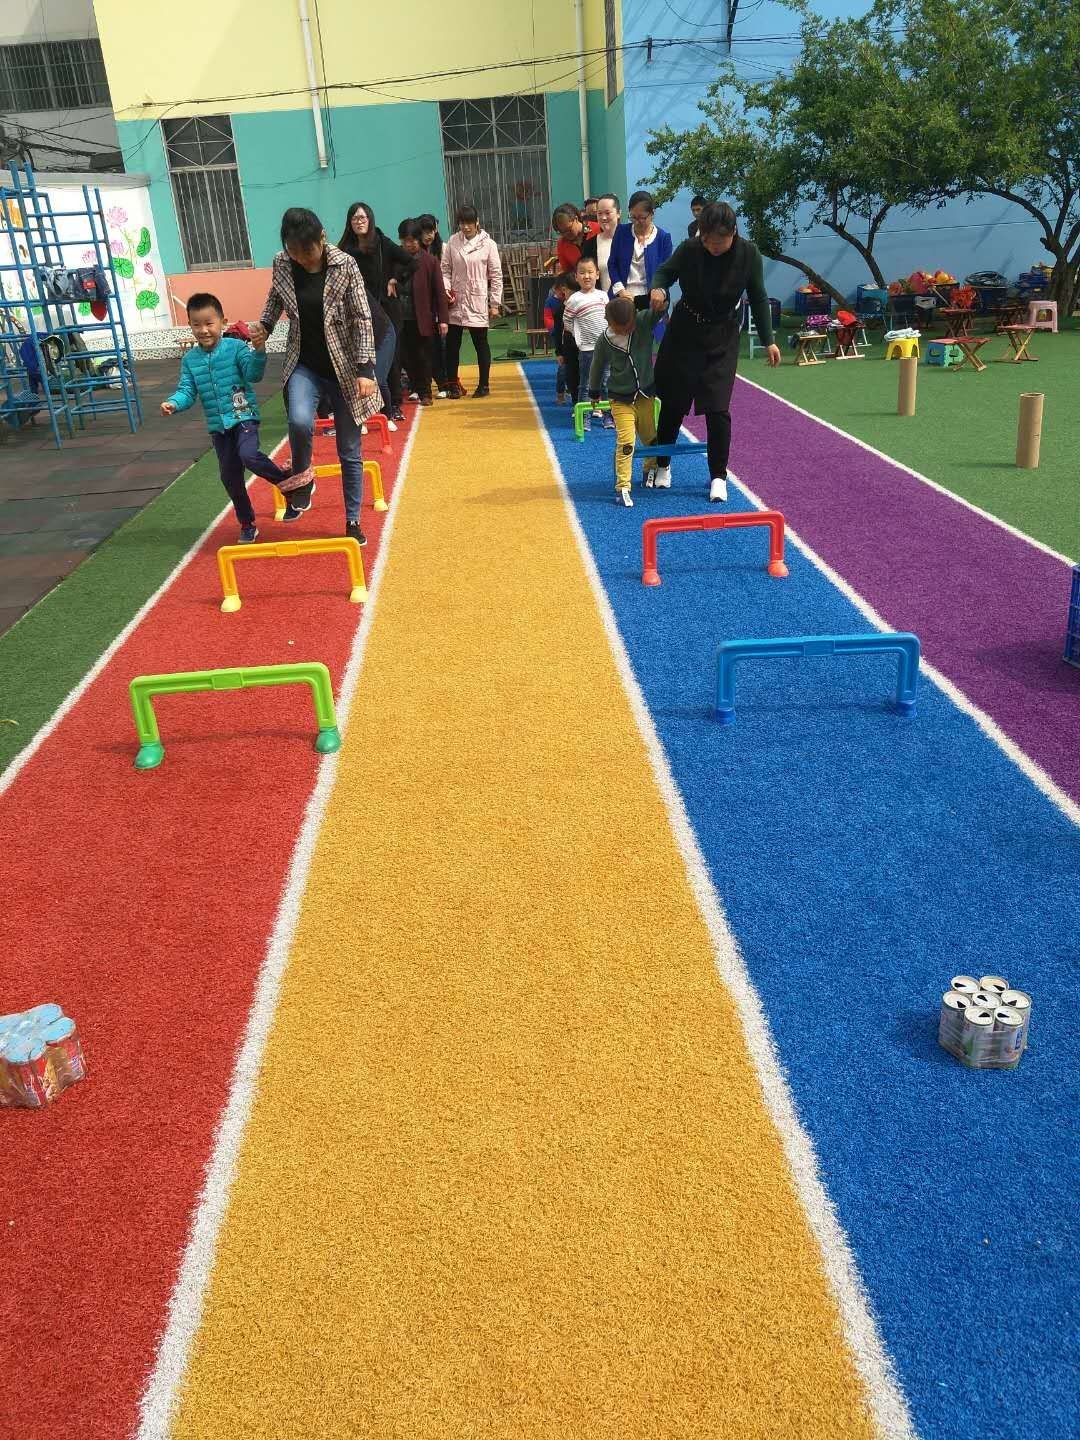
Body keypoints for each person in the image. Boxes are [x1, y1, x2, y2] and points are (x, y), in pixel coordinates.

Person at [250, 207, 379, 546]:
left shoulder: (345, 265)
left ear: (322, 238)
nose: (302, 258)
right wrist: (265, 326)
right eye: (294, 251)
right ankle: (304, 480)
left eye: (307, 251)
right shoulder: (283, 263)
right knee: (298, 420)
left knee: (348, 449)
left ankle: (353, 519)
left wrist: (366, 369)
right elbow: (275, 298)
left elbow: (362, 318)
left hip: (345, 368)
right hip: (303, 362)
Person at [648, 201, 781, 503]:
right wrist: (659, 289)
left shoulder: (748, 254)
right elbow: (664, 273)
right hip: (685, 332)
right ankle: (663, 464)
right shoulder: (690, 249)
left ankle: (718, 476)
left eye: (718, 242)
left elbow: (758, 297)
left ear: (733, 233)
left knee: (718, 409)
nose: (712, 247)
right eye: (707, 240)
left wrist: (769, 340)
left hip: (722, 335)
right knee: (673, 403)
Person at [161, 292, 291, 543]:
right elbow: (187, 391)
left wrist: (259, 351)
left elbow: (253, 375)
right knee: (230, 477)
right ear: (190, 325)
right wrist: (173, 403)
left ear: (223, 322)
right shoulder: (190, 360)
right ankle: (247, 523)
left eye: (209, 323)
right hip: (219, 428)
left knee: (248, 455)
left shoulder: (236, 348)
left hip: (244, 417)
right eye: (196, 324)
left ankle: (288, 483)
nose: (203, 330)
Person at [338, 202, 416, 424]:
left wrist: (396, 280)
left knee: (390, 360)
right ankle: (365, 408)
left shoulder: (382, 242)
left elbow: (411, 262)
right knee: (363, 359)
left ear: (370, 220)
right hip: (358, 312)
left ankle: (394, 405)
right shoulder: (345, 248)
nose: (359, 222)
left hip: (386, 310)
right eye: (355, 218)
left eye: (362, 218)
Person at [588, 294, 665, 507]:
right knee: (626, 441)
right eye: (620, 328)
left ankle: (649, 469)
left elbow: (659, 309)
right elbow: (597, 366)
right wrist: (594, 392)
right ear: (609, 322)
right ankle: (622, 486)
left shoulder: (642, 321)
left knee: (650, 437)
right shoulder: (604, 340)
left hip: (645, 395)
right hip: (620, 399)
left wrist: (661, 296)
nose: (626, 331)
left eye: (630, 326)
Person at [441, 205, 503, 399]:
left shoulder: (488, 244)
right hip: (456, 300)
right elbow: (445, 269)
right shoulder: (453, 241)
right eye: (462, 223)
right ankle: (453, 385)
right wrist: (446, 290)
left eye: (469, 223)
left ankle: (484, 385)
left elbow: (496, 275)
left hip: (477, 299)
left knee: (480, 343)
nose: (466, 227)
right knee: (452, 345)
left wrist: (494, 303)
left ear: (477, 222)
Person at [397, 219, 449, 404]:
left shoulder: (430, 261)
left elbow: (439, 292)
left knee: (425, 356)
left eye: (412, 240)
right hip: (400, 317)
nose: (409, 244)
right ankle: (417, 388)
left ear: (418, 239)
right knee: (406, 357)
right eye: (405, 240)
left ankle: (426, 392)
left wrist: (443, 319)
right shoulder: (395, 259)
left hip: (422, 317)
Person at [562, 254, 610, 429]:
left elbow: (609, 319)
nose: (586, 276)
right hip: (587, 350)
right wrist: (579, 337)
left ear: (597, 274)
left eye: (590, 272)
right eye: (582, 273)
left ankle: (608, 416)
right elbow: (567, 321)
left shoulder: (603, 296)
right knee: (586, 384)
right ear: (576, 277)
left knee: (606, 383)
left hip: (606, 348)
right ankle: (585, 417)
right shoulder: (574, 299)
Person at [608, 190, 673, 309]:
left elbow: (668, 272)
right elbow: (612, 264)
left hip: (652, 299)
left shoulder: (663, 238)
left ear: (652, 213)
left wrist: (660, 291)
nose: (637, 222)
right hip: (622, 296)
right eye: (633, 217)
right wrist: (620, 290)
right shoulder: (621, 232)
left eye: (642, 217)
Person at [417, 214, 446, 393]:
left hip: (442, 302)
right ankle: (421, 384)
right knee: (423, 348)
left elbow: (448, 273)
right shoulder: (415, 253)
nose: (429, 236)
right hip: (423, 307)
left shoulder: (442, 249)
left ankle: (444, 382)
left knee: (440, 347)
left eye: (432, 231)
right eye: (425, 232)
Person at [543, 271, 577, 403]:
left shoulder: (581, 305)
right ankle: (561, 394)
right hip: (566, 347)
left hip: (580, 346)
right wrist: (559, 352)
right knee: (563, 371)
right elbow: (556, 329)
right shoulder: (557, 307)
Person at [581, 193, 620, 295]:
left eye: (607, 213)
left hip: (630, 300)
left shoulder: (631, 238)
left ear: (618, 213)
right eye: (599, 214)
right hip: (603, 301)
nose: (603, 218)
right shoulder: (590, 245)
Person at [543, 203, 599, 274]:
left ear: (576, 219)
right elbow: (567, 272)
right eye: (562, 232)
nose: (566, 234)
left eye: (569, 229)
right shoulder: (562, 244)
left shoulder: (597, 229)